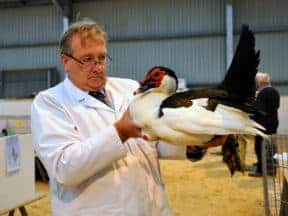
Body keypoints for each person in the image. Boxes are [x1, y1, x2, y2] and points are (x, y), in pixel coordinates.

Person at [31, 19, 227, 216]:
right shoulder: (49, 103)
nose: (98, 67)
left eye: (102, 58)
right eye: (87, 59)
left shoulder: (130, 89)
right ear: (66, 61)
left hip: (153, 208)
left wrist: (192, 143)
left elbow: (153, 142)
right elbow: (64, 169)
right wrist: (120, 132)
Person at [249, 72, 280, 177]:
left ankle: (261, 170)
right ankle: (272, 167)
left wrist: (250, 115)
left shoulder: (262, 93)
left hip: (263, 124)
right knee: (271, 146)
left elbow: (258, 110)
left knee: (259, 147)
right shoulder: (275, 91)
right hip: (273, 122)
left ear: (259, 82)